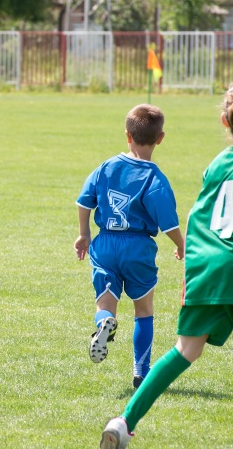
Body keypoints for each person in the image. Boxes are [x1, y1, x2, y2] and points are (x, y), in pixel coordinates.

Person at [99, 88, 233, 448]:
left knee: (185, 349)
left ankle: (124, 422)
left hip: (209, 266)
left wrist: (190, 254)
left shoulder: (218, 165)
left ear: (224, 120)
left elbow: (202, 218)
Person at [74, 104, 184, 389]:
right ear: (160, 138)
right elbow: (169, 223)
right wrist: (181, 246)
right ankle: (140, 371)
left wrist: (84, 234)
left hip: (106, 243)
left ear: (127, 135)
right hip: (138, 247)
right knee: (143, 311)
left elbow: (84, 201)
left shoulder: (107, 167)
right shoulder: (155, 179)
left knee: (106, 302)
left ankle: (104, 322)